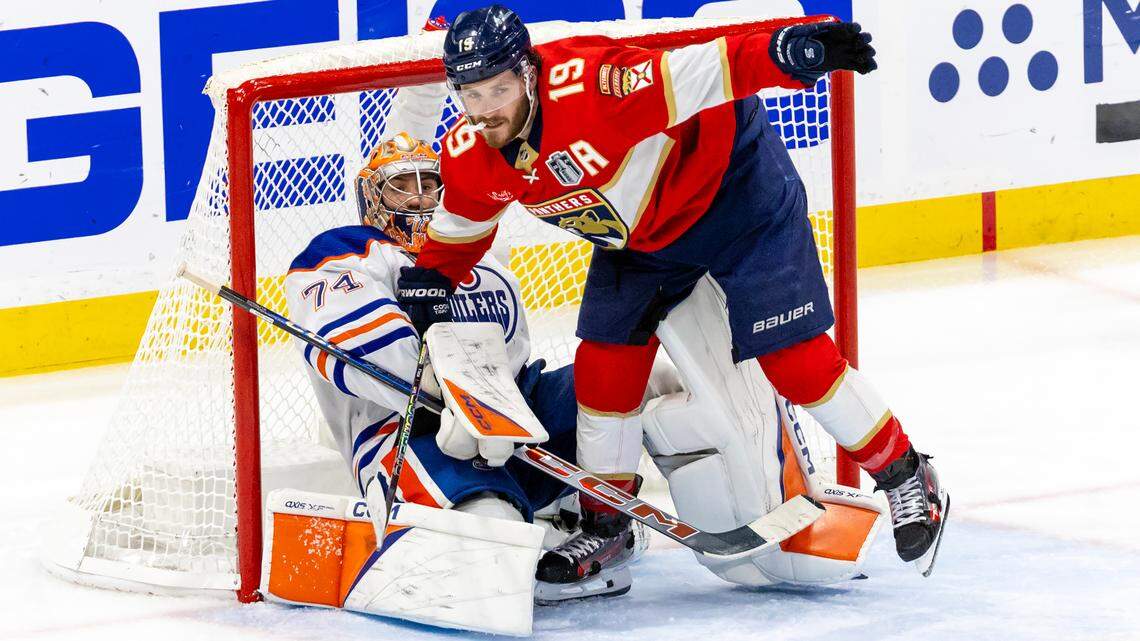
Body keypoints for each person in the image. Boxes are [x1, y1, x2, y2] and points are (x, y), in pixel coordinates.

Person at [395, 5, 948, 580]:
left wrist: (784, 53)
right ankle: (607, 525)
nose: (485, 111)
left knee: (795, 363)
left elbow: (707, 70)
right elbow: (462, 227)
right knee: (603, 370)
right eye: (471, 95)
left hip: (737, 190)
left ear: (529, 74)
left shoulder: (592, 88)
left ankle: (906, 473)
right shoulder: (470, 151)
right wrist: (431, 280)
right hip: (643, 241)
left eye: (498, 90)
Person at [284, 132, 659, 602]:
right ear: (372, 197)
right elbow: (369, 352)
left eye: (430, 183)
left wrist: (503, 412)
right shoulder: (344, 253)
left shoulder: (475, 254)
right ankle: (513, 529)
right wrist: (464, 406)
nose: (420, 196)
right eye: (402, 185)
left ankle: (600, 524)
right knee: (495, 542)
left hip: (515, 429)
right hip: (409, 437)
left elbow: (515, 359)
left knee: (645, 380)